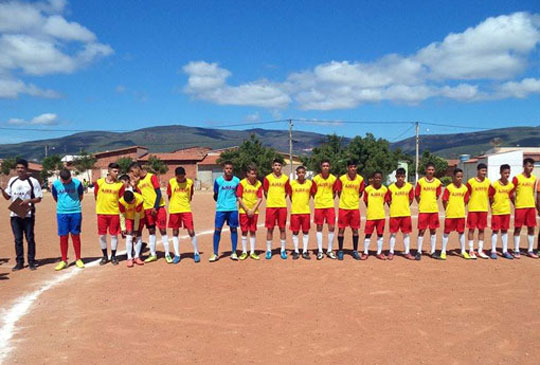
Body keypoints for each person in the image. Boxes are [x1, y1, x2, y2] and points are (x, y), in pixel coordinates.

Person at [0, 159, 43, 271]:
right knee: (18, 239)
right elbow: (7, 197)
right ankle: (19, 262)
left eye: (22, 168)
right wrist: (2, 189)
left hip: (28, 214)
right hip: (15, 215)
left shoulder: (33, 181)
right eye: (18, 168)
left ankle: (31, 261)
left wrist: (28, 201)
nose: (20, 170)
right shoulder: (12, 181)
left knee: (29, 238)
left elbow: (39, 198)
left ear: (26, 169)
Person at [129, 162, 169, 263]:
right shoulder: (137, 182)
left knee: (163, 230)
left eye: (133, 171)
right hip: (146, 210)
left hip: (158, 208)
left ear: (137, 168)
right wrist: (134, 187)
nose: (132, 174)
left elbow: (158, 193)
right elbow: (137, 196)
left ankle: (167, 254)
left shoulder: (152, 177)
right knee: (151, 231)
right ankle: (153, 253)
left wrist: (155, 207)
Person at [52, 169, 85, 271]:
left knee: (75, 235)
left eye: (67, 180)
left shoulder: (77, 183)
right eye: (63, 181)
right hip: (62, 213)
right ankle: (63, 260)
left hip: (75, 212)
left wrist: (73, 205)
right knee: (63, 237)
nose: (65, 182)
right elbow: (55, 197)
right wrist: (64, 206)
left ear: (70, 177)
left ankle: (78, 259)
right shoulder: (55, 184)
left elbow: (81, 196)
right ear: (60, 178)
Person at [167, 167, 200, 263]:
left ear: (185, 175)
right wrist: (174, 204)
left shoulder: (190, 183)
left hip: (186, 209)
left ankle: (196, 252)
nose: (180, 178)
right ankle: (177, 254)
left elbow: (191, 195)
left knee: (191, 231)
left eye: (182, 176)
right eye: (179, 176)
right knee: (175, 231)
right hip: (174, 210)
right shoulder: (171, 182)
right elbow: (169, 195)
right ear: (175, 176)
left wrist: (185, 203)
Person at [94, 163, 125, 265]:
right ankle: (104, 256)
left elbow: (121, 200)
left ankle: (113, 256)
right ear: (109, 171)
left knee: (114, 235)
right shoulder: (99, 183)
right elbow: (96, 196)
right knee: (102, 235)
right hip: (101, 213)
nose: (117, 173)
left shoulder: (120, 185)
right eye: (114, 171)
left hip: (114, 213)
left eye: (118, 171)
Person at [334, 160, 365, 260]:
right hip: (343, 208)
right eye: (351, 167)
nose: (353, 168)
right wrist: (345, 201)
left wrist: (353, 200)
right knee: (341, 229)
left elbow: (360, 193)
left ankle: (355, 251)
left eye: (354, 167)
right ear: (347, 168)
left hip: (354, 208)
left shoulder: (360, 179)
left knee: (355, 230)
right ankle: (340, 250)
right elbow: (339, 192)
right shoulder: (342, 179)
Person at [211, 161, 240, 262]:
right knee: (217, 230)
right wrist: (221, 202)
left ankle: (234, 252)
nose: (229, 170)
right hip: (221, 209)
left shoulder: (237, 181)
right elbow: (215, 194)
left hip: (233, 209)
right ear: (223, 169)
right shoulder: (218, 181)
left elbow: (238, 194)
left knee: (233, 229)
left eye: (230, 168)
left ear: (232, 169)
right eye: (227, 168)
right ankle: (215, 253)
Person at [437, 168, 470, 260]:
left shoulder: (464, 188)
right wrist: (447, 209)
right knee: (446, 233)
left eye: (461, 177)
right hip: (450, 215)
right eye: (458, 177)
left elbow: (466, 200)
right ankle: (443, 251)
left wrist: (460, 208)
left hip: (460, 215)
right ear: (453, 177)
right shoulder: (449, 188)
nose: (459, 178)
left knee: (461, 232)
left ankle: (463, 251)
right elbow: (444, 200)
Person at [385, 168, 415, 260]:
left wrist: (404, 207)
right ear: (396, 177)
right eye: (398, 176)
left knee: (406, 233)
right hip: (394, 214)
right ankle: (391, 252)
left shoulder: (409, 187)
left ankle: (407, 252)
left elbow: (411, 200)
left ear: (405, 177)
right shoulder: (390, 188)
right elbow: (388, 200)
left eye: (402, 176)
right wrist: (394, 207)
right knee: (393, 233)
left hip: (405, 214)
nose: (400, 178)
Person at [263, 159, 290, 259]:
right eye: (275, 165)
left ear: (281, 167)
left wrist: (280, 200)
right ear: (272, 166)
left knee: (282, 228)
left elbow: (286, 192)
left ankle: (283, 250)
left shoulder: (285, 178)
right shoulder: (268, 178)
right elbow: (265, 192)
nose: (277, 167)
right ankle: (269, 250)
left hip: (282, 206)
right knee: (270, 228)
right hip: (271, 206)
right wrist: (271, 200)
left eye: (279, 165)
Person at [414, 162, 442, 260]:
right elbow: (416, 195)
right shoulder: (421, 182)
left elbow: (437, 195)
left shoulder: (437, 182)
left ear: (434, 171)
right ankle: (418, 251)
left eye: (432, 170)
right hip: (423, 210)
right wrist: (421, 204)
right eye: (429, 170)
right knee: (421, 230)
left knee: (433, 230)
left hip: (433, 210)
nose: (430, 171)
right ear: (426, 170)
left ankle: (433, 251)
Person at [511, 158, 538, 258]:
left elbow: (532, 193)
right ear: (524, 166)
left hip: (531, 206)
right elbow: (511, 192)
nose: (531, 168)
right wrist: (515, 203)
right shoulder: (517, 178)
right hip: (520, 207)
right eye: (529, 166)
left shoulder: (534, 179)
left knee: (531, 228)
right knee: (518, 228)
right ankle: (516, 249)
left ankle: (530, 250)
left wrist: (535, 205)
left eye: (532, 166)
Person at [287, 165, 315, 260]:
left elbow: (311, 195)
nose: (301, 174)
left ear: (305, 173)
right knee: (295, 231)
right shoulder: (292, 184)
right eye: (299, 173)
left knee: (305, 231)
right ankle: (296, 251)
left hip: (306, 211)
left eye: (303, 172)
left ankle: (305, 251)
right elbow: (290, 197)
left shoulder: (309, 183)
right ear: (296, 174)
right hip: (295, 211)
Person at [312, 160, 337, 260]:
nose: (325, 167)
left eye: (327, 166)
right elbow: (313, 192)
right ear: (321, 167)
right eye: (323, 166)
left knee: (331, 227)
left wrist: (328, 200)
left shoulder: (333, 179)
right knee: (319, 227)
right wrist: (319, 200)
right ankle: (320, 251)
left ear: (329, 167)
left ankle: (329, 250)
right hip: (319, 206)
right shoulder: (316, 179)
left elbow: (335, 192)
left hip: (329, 205)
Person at [236, 164, 263, 260]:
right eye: (252, 174)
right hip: (244, 211)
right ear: (247, 174)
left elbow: (260, 198)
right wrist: (247, 209)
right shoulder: (242, 183)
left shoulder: (259, 184)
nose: (254, 175)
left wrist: (253, 209)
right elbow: (239, 197)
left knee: (252, 231)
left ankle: (252, 251)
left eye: (255, 173)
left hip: (254, 211)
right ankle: (244, 252)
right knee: (244, 231)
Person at [488, 164, 514, 260]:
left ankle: (504, 251)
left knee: (504, 230)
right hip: (497, 211)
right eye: (505, 173)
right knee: (495, 230)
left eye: (508, 173)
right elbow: (490, 197)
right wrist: (493, 208)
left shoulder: (511, 185)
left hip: (506, 211)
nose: (507, 175)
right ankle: (493, 250)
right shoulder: (494, 184)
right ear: (500, 173)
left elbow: (511, 197)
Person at [466, 163, 491, 259]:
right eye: (482, 171)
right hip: (473, 209)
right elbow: (466, 194)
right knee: (471, 229)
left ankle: (480, 250)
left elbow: (490, 195)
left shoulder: (488, 182)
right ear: (478, 171)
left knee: (482, 229)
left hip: (483, 209)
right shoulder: (471, 182)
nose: (484, 172)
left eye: (485, 171)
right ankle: (471, 250)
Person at [362, 171, 388, 260]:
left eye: (379, 178)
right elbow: (365, 201)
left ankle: (379, 252)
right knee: (368, 234)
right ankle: (365, 252)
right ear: (373, 179)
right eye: (376, 177)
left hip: (381, 216)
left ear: (382, 179)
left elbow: (384, 201)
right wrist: (371, 209)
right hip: (371, 216)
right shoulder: (368, 189)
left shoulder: (384, 189)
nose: (377, 179)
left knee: (380, 234)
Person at [119, 190, 145, 267]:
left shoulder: (139, 199)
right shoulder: (121, 202)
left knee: (138, 235)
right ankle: (129, 257)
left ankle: (137, 256)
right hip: (128, 218)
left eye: (133, 200)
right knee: (129, 236)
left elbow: (137, 216)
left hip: (140, 217)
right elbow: (122, 214)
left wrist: (136, 230)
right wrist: (123, 227)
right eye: (131, 202)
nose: (133, 202)